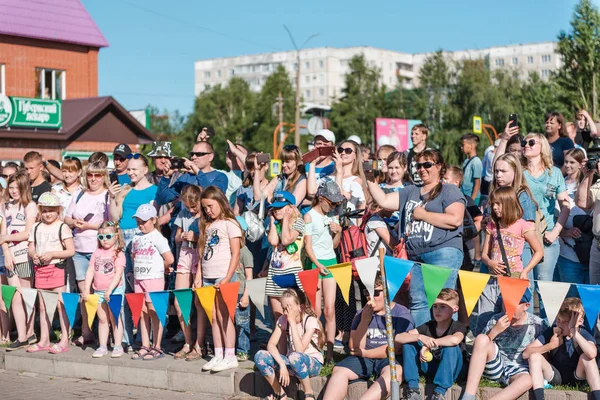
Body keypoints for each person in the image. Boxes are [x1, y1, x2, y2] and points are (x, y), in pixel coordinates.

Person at [367, 149, 465, 327]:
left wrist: (424, 215)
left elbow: (455, 220)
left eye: (427, 164)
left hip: (442, 252)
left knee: (443, 302)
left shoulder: (449, 190)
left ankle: (445, 349)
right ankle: (422, 347)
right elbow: (383, 200)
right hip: (414, 256)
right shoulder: (410, 191)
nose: (422, 169)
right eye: (418, 165)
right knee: (418, 303)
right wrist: (368, 176)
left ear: (439, 166)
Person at [322, 273, 415, 400]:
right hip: (363, 357)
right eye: (367, 292)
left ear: (388, 292)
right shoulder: (361, 313)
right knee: (339, 371)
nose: (370, 297)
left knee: (394, 374)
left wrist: (364, 353)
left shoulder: (401, 313)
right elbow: (354, 348)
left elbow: (394, 349)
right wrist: (364, 322)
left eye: (376, 293)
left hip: (389, 358)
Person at [475, 187, 543, 334]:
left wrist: (526, 271)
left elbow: (539, 251)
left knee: (510, 321)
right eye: (493, 204)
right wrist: (490, 263)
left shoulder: (523, 225)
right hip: (493, 281)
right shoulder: (492, 225)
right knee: (485, 319)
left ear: (509, 203)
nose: (494, 207)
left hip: (514, 280)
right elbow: (484, 255)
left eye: (498, 204)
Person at [461, 289, 548, 400]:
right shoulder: (496, 319)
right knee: (482, 338)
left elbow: (543, 354)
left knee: (527, 380)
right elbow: (480, 347)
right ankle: (468, 396)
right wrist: (495, 331)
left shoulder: (537, 324)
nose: (508, 307)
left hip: (520, 369)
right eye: (505, 303)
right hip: (496, 364)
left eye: (513, 304)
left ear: (526, 306)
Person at [196, 186, 242, 372]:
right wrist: (199, 275)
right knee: (213, 316)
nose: (208, 210)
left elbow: (236, 253)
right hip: (208, 276)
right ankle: (218, 353)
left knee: (225, 316)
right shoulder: (208, 226)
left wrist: (227, 277)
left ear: (220, 201)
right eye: (205, 208)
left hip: (223, 276)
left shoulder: (230, 223)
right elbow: (202, 254)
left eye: (210, 205)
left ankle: (230, 355)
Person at [65, 161, 110, 345]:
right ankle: (86, 331)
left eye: (97, 175)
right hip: (79, 248)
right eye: (90, 175)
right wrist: (75, 223)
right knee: (84, 293)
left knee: (99, 291)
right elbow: (66, 217)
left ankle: (105, 331)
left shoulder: (107, 195)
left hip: (98, 248)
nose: (93, 179)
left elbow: (111, 224)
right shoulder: (79, 193)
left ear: (103, 176)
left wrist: (90, 225)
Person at [254, 288, 324, 400]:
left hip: (311, 363)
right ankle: (280, 393)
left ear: (300, 307)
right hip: (291, 361)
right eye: (283, 308)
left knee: (295, 357)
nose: (285, 312)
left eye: (289, 308)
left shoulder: (310, 321)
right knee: (260, 356)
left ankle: (309, 393)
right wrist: (282, 364)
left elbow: (299, 350)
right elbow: (271, 345)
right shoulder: (283, 319)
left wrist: (292, 322)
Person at [26, 192, 74, 354]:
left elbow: (70, 251)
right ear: (40, 210)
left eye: (51, 210)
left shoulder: (62, 226)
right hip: (40, 270)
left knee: (60, 306)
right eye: (45, 210)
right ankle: (44, 339)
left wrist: (53, 254)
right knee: (43, 307)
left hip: (57, 269)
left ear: (58, 210)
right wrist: (34, 255)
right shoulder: (36, 227)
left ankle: (65, 338)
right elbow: (31, 246)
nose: (48, 214)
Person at [524, 298, 600, 400]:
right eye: (558, 320)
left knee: (587, 357)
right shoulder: (553, 331)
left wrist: (574, 331)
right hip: (555, 375)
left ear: (580, 322)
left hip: (576, 376)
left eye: (566, 322)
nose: (560, 324)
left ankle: (597, 396)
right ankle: (539, 397)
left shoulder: (583, 333)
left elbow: (592, 353)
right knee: (534, 357)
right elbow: (526, 353)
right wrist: (550, 346)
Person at [398, 289, 467, 400]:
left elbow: (455, 340)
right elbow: (399, 337)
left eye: (443, 307)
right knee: (408, 344)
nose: (437, 310)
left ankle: (439, 393)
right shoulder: (428, 325)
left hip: (452, 369)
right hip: (431, 367)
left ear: (455, 309)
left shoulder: (458, 326)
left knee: (451, 348)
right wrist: (420, 337)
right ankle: (413, 390)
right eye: (435, 306)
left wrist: (428, 344)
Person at [521, 133, 570, 283]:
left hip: (546, 235)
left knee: (544, 285)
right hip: (523, 235)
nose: (526, 145)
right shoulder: (518, 172)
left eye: (531, 142)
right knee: (524, 284)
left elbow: (565, 206)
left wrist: (555, 232)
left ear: (543, 147)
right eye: (524, 143)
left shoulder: (554, 173)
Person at [304, 181, 343, 362]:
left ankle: (328, 353)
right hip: (315, 264)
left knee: (330, 310)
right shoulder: (309, 216)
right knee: (315, 310)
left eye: (336, 204)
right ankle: (314, 349)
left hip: (331, 263)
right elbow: (308, 246)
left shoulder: (333, 217)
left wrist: (338, 232)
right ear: (321, 198)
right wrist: (317, 264)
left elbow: (334, 245)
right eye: (332, 203)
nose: (334, 206)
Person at [129, 204, 174, 360]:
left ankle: (157, 345)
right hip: (139, 279)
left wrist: (158, 268)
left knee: (155, 311)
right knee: (142, 312)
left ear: (154, 220)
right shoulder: (136, 237)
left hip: (153, 278)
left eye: (144, 221)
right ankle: (145, 344)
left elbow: (169, 258)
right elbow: (134, 256)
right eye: (138, 222)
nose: (141, 225)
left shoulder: (157, 237)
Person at [1, 171, 38, 350]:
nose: (14, 191)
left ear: (24, 188)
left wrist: (6, 238)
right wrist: (6, 251)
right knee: (15, 296)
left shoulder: (30, 206)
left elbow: (27, 232)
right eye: (11, 187)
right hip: (10, 257)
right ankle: (21, 335)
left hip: (24, 255)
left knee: (26, 295)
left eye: (17, 187)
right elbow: (2, 234)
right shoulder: (5, 207)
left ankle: (31, 332)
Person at [172, 185, 206, 361]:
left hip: (199, 255)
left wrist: (197, 237)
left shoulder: (206, 213)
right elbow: (176, 237)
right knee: (180, 302)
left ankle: (199, 345)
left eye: (194, 207)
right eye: (188, 207)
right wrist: (183, 236)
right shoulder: (183, 214)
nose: (191, 210)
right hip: (185, 254)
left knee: (199, 302)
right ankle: (187, 341)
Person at [81, 221, 126, 358]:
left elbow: (118, 275)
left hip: (114, 291)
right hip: (98, 291)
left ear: (116, 236)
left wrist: (109, 290)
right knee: (102, 319)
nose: (104, 240)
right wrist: (86, 289)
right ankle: (102, 346)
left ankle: (118, 345)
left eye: (107, 236)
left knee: (115, 319)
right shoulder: (96, 253)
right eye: (100, 237)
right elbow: (90, 270)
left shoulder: (119, 254)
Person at [262, 191, 305, 322]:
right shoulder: (275, 224)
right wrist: (272, 221)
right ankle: (281, 343)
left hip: (292, 274)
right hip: (274, 274)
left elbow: (286, 240)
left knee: (293, 317)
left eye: (280, 207)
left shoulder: (298, 222)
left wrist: (286, 219)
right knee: (278, 318)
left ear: (291, 207)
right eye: (274, 208)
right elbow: (273, 241)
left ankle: (294, 342)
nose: (277, 210)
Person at [155, 141, 228, 207]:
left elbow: (213, 196)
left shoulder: (220, 177)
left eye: (199, 154)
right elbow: (161, 200)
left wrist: (197, 172)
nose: (193, 157)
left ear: (210, 157)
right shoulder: (185, 177)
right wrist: (166, 177)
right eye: (192, 154)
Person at [557, 148, 589, 286]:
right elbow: (553, 214)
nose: (568, 165)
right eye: (566, 162)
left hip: (589, 248)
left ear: (581, 164)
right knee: (571, 299)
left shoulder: (589, 183)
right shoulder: (559, 184)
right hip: (567, 252)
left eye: (572, 162)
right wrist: (564, 232)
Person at [443, 166, 483, 272]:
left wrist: (467, 233)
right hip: (446, 247)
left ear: (457, 182)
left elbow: (479, 219)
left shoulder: (465, 199)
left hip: (466, 247)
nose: (442, 181)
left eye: (446, 178)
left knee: (464, 280)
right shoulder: (439, 199)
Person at [576, 155, 600, 284]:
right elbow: (583, 202)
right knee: (595, 291)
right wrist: (587, 176)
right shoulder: (598, 184)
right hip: (597, 244)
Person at [234, 215, 253, 361]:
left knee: (242, 323)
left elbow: (249, 277)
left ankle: (243, 349)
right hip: (229, 291)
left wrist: (246, 295)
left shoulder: (245, 253)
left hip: (241, 293)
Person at [335, 140, 368, 223]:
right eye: (340, 150)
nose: (343, 153)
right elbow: (312, 191)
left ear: (355, 156)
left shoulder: (356, 180)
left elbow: (338, 197)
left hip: (347, 227)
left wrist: (339, 171)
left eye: (348, 151)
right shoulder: (330, 177)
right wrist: (313, 163)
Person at [460, 133, 482, 204]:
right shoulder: (466, 160)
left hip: (472, 198)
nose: (461, 147)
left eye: (463, 145)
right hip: (465, 196)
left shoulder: (476, 162)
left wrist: (472, 200)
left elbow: (477, 184)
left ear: (471, 146)